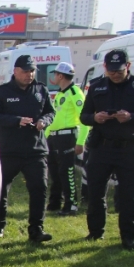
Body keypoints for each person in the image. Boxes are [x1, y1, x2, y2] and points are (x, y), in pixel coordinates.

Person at [80, 49, 134, 251]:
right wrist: (95, 118)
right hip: (101, 147)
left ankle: (128, 237)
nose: (115, 74)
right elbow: (84, 116)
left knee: (129, 195)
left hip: (129, 149)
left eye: (119, 70)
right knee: (95, 193)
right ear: (105, 68)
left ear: (127, 66)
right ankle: (95, 232)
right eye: (111, 70)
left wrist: (131, 117)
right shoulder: (96, 87)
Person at [0, 54, 55, 242]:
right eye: (25, 71)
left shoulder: (41, 90)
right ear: (15, 71)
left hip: (35, 150)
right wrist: (16, 121)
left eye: (32, 71)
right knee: (1, 189)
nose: (29, 75)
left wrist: (44, 121)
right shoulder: (2, 92)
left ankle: (36, 230)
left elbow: (50, 112)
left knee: (39, 188)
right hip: (9, 150)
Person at [45, 62, 89, 215]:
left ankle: (71, 205)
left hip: (68, 136)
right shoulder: (60, 93)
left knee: (66, 171)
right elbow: (55, 117)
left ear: (61, 76)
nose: (54, 77)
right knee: (55, 171)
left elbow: (84, 119)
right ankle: (55, 202)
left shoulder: (75, 93)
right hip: (54, 137)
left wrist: (81, 142)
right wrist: (45, 136)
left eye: (55, 74)